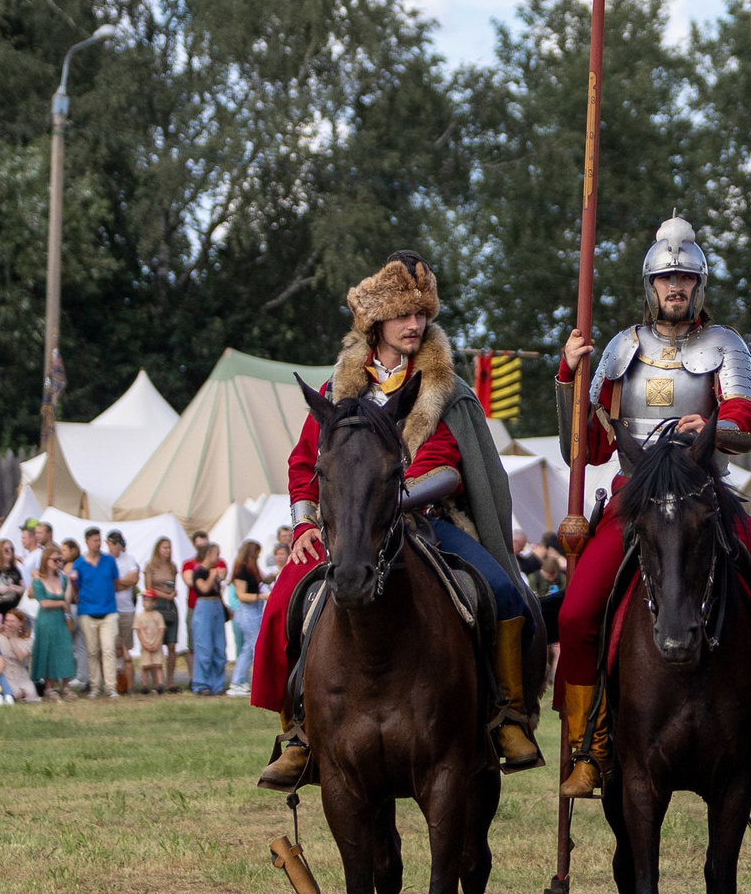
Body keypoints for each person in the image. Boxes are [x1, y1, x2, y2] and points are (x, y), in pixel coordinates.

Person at [542, 223, 751, 795]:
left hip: (703, 495)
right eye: (666, 276)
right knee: (574, 615)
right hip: (636, 496)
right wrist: (569, 372)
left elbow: (749, 422)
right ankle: (589, 745)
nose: (675, 285)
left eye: (685, 276)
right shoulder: (617, 349)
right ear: (651, 283)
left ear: (698, 284)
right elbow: (587, 447)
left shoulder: (725, 345)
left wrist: (712, 429)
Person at [252, 251, 540, 785]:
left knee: (499, 591)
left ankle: (507, 716)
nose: (415, 324)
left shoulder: (444, 388)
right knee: (284, 602)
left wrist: (395, 498)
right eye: (403, 314)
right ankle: (296, 732)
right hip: (351, 530)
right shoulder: (337, 390)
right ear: (376, 320)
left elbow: (448, 466)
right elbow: (303, 462)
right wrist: (305, 524)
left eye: (422, 313)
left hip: (430, 520)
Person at [69, 529, 121, 699]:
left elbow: (116, 582)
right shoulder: (79, 564)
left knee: (108, 649)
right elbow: (75, 587)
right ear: (87, 542)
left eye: (99, 540)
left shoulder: (109, 561)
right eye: (94, 540)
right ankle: (94, 686)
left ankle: (111, 687)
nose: (97, 544)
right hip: (87, 611)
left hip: (108, 611)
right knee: (92, 651)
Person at [25, 547, 76, 697]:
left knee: (65, 649)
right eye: (55, 560)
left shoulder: (62, 579)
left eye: (60, 559)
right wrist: (60, 604)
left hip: (61, 619)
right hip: (46, 619)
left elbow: (67, 601)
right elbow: (44, 603)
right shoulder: (38, 581)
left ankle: (66, 686)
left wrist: (70, 583)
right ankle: (49, 686)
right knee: (49, 651)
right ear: (46, 561)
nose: (58, 563)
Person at [140, 537, 181, 686]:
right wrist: (165, 595)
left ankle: (170, 681)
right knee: (154, 643)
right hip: (157, 605)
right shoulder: (150, 566)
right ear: (158, 549)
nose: (167, 551)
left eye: (169, 548)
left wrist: (172, 594)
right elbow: (149, 589)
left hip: (170, 606)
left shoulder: (172, 567)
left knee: (171, 644)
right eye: (164, 548)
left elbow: (173, 586)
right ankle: (157, 681)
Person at [228, 541, 265, 698]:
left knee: (248, 648)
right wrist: (262, 596)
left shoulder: (253, 569)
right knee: (257, 645)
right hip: (246, 611)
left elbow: (265, 579)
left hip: (255, 609)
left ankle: (237, 681)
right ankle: (255, 681)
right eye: (256, 553)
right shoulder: (241, 571)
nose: (258, 555)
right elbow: (241, 595)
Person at [189, 550, 229, 695]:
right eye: (216, 554)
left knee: (219, 647)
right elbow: (203, 588)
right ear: (208, 554)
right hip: (204, 606)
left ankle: (217, 684)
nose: (218, 557)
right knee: (204, 647)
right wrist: (212, 576)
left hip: (216, 606)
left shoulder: (216, 572)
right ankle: (201, 684)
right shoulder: (199, 572)